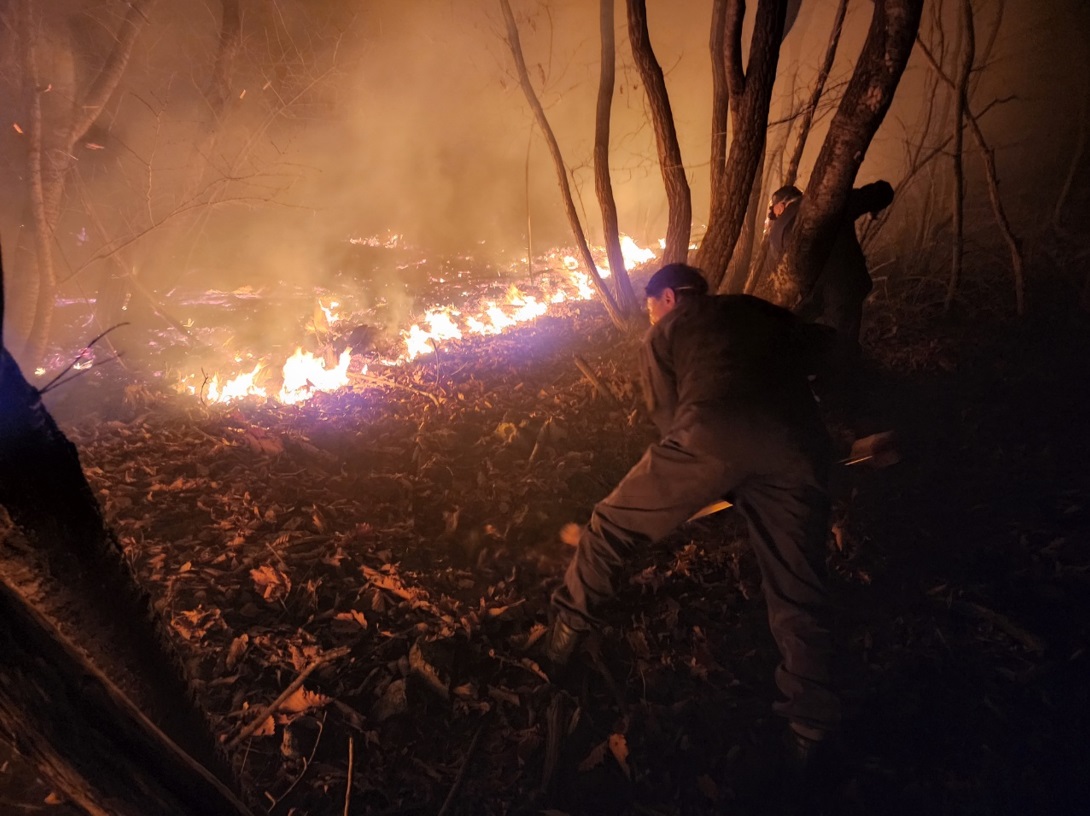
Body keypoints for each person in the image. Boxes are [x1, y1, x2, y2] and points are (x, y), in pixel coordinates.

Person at [545, 262, 840, 764]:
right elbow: (829, 351)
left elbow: (667, 415)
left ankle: (561, 642)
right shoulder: (756, 310)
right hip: (799, 449)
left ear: (669, 299)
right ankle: (810, 724)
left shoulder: (669, 331)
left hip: (711, 437)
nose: (649, 316)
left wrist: (695, 479)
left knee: (611, 524)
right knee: (797, 583)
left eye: (650, 307)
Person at [766, 180, 894, 359]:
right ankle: (842, 378)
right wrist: (874, 207)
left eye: (773, 212)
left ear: (780, 206)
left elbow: (781, 271)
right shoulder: (826, 203)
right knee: (842, 343)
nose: (774, 216)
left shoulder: (776, 233)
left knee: (810, 331)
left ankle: (817, 373)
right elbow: (882, 192)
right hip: (845, 284)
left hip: (812, 294)